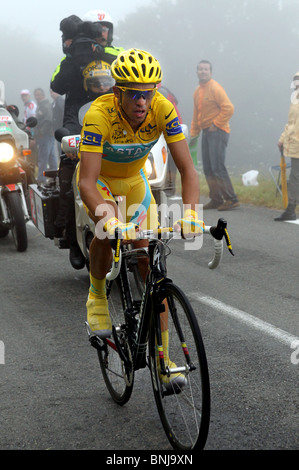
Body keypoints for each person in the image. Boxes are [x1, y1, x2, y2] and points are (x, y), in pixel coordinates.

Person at [78, 49, 202, 356]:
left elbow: (187, 169)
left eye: (148, 94)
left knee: (148, 258)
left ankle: (165, 358)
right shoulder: (98, 116)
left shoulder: (163, 109)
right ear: (118, 92)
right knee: (107, 233)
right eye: (133, 95)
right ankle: (96, 296)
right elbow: (87, 183)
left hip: (135, 181)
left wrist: (190, 214)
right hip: (101, 181)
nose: (141, 102)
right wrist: (110, 219)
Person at [50, 10, 124, 269]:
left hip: (118, 137)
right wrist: (74, 58)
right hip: (79, 131)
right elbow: (56, 85)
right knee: (69, 183)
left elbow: (133, 66)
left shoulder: (116, 54)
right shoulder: (69, 60)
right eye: (98, 29)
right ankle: (73, 240)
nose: (103, 33)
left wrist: (100, 52)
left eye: (105, 29)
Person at [190, 60, 239, 211]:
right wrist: (193, 135)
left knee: (217, 167)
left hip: (218, 131)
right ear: (197, 72)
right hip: (206, 132)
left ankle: (231, 199)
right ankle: (216, 199)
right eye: (200, 69)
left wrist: (216, 124)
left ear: (210, 72)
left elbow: (229, 108)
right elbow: (196, 115)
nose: (203, 71)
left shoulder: (215, 88)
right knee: (208, 168)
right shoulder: (198, 91)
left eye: (206, 69)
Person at [274, 72, 299, 221]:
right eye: (295, 80)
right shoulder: (294, 100)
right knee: (295, 177)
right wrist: (282, 139)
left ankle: (291, 209)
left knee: (295, 177)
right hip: (294, 144)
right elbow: (291, 123)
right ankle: (290, 209)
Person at [33, 88, 58, 182]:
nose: (37, 97)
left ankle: (41, 178)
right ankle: (55, 177)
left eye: (39, 94)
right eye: (35, 95)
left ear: (43, 95)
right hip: (47, 136)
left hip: (45, 135)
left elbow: (48, 120)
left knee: (43, 157)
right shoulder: (41, 105)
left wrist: (41, 133)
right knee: (51, 157)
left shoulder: (45, 106)